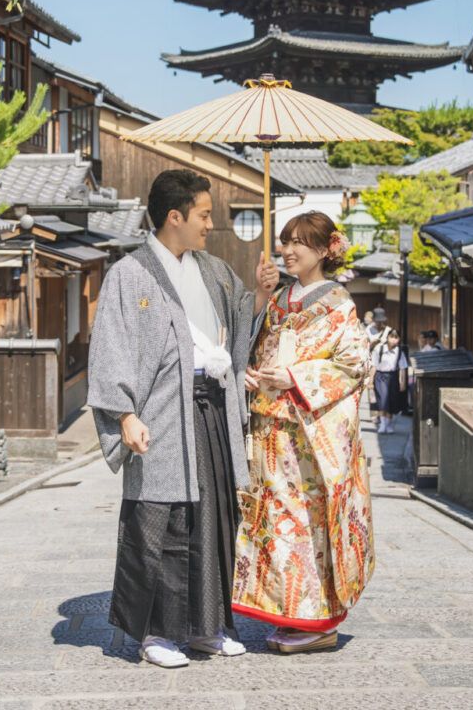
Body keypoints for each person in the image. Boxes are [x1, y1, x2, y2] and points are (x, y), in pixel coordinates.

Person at [87, 170, 278, 669]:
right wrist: (124, 415)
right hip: (161, 415)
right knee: (161, 519)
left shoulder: (212, 269)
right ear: (175, 216)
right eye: (204, 214)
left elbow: (238, 321)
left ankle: (206, 628)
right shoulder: (129, 275)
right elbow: (110, 348)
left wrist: (258, 294)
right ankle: (156, 634)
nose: (210, 225)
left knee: (212, 517)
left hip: (212, 406)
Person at [234, 211, 376, 655]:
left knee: (309, 525)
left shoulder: (338, 303)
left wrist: (294, 377)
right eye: (285, 241)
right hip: (272, 427)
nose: (288, 250)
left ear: (324, 249)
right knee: (275, 523)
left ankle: (318, 620)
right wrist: (253, 372)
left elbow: (355, 365)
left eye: (299, 242)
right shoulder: (279, 297)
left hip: (309, 435)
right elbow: (256, 345)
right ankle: (289, 612)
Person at [370, 330, 408, 434]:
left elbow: (403, 368)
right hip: (380, 376)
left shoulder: (399, 352)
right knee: (383, 399)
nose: (393, 339)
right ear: (387, 338)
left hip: (393, 376)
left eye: (396, 337)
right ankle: (383, 424)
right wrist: (370, 380)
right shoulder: (379, 349)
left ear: (399, 339)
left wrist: (403, 383)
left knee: (391, 400)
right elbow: (374, 365)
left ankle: (389, 423)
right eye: (391, 337)